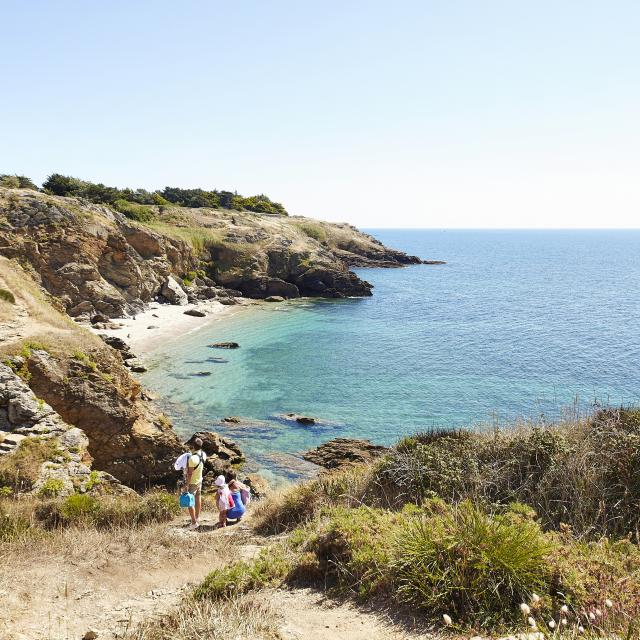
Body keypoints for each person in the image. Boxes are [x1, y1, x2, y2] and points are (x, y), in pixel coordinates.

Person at [185, 438, 206, 529]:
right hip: (200, 481)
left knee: (190, 502)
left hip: (193, 482)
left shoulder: (192, 459)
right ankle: (197, 517)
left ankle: (194, 523)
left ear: (193, 446)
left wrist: (187, 484)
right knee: (198, 498)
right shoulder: (203, 454)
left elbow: (190, 474)